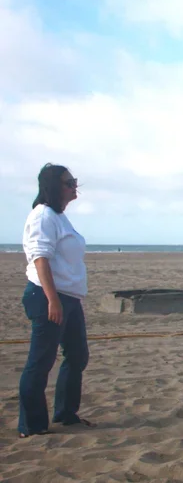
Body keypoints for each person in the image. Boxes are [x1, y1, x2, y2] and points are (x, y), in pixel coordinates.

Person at [18, 163, 92, 438]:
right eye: (68, 182)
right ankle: (32, 425)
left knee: (77, 355)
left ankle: (66, 413)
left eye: (74, 181)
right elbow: (40, 259)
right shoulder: (42, 216)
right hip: (48, 295)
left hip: (70, 297)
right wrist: (53, 300)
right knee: (40, 361)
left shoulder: (59, 217)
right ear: (53, 186)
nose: (74, 186)